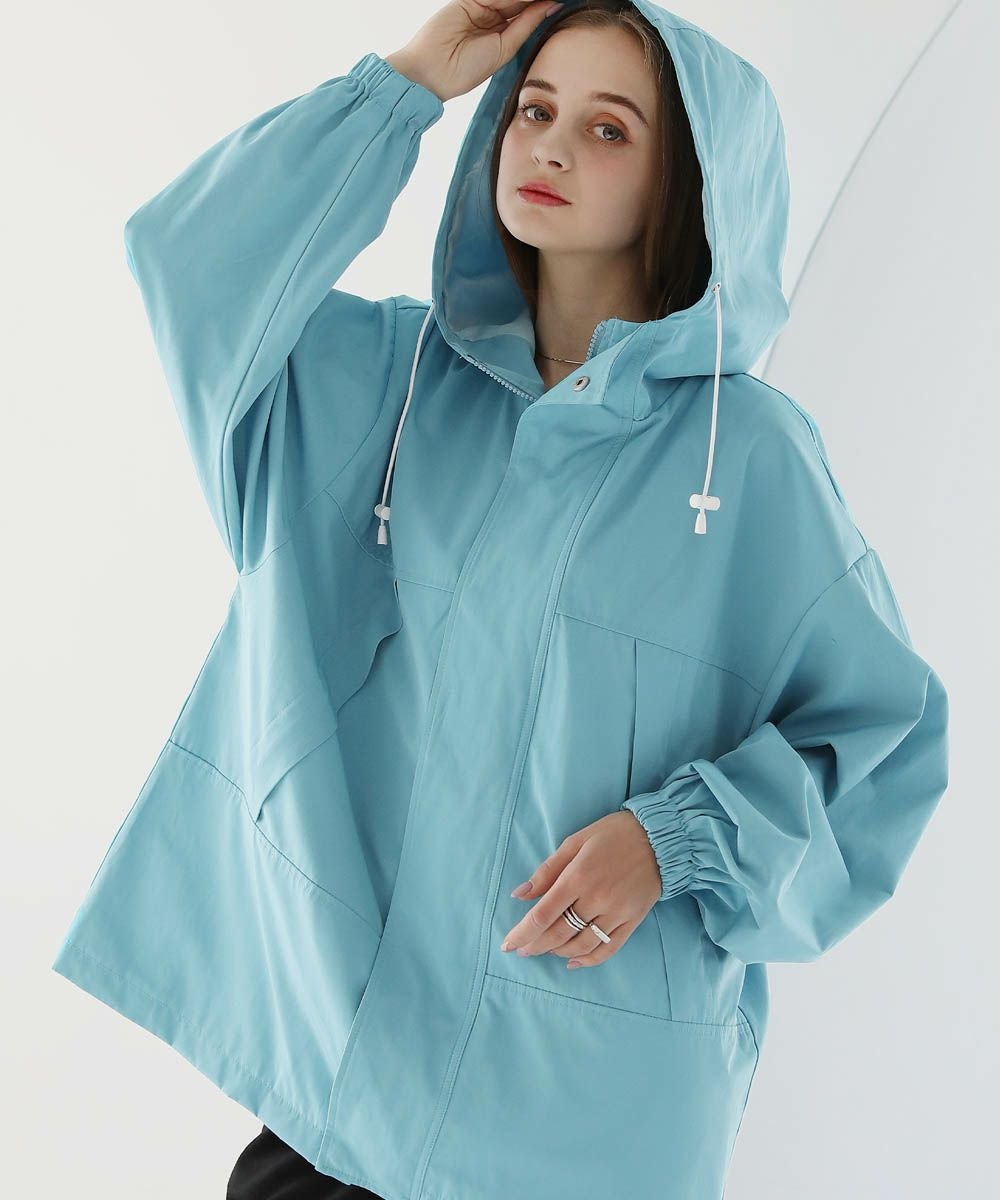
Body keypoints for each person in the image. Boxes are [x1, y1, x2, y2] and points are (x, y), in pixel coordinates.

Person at [52, 2, 950, 1198]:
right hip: (336, 1093)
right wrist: (409, 82)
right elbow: (192, 265)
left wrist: (674, 840)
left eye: (608, 128)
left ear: (687, 182)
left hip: (578, 1126)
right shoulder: (377, 383)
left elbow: (881, 748)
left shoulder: (750, 461)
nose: (551, 147)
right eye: (533, 109)